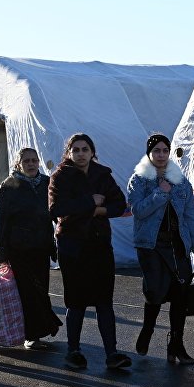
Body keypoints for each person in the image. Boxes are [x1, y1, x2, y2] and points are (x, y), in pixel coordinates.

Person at [48, 133, 132, 370]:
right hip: (72, 246)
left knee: (105, 301)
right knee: (76, 302)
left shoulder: (101, 174)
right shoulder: (60, 177)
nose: (81, 153)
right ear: (69, 153)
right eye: (76, 149)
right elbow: (56, 208)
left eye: (85, 149)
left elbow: (119, 204)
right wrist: (89, 202)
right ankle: (73, 351)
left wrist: (98, 211)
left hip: (99, 244)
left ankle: (112, 353)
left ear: (92, 152)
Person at [127, 133, 194, 365]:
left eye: (164, 150)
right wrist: (160, 192)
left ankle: (176, 345)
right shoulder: (139, 179)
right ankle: (148, 330)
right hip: (150, 246)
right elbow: (138, 210)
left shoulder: (180, 181)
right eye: (156, 151)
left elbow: (191, 217)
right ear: (149, 154)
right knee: (155, 292)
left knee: (180, 296)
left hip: (177, 245)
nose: (161, 155)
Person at [0, 148, 62, 349]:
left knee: (41, 290)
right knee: (27, 292)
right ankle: (30, 335)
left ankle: (39, 331)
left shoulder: (46, 184)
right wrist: (1, 250)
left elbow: (54, 215)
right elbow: (0, 222)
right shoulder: (8, 187)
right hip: (18, 249)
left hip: (40, 247)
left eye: (34, 160)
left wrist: (54, 244)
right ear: (18, 164)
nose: (31, 164)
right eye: (26, 161)